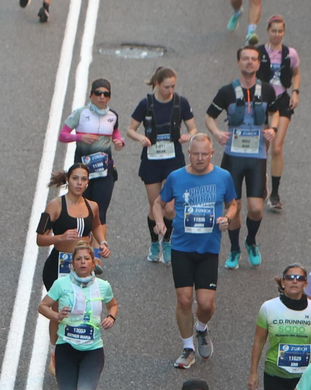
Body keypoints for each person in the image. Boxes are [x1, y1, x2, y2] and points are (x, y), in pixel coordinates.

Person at [154, 137, 238, 370]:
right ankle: (188, 348)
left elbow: (233, 204)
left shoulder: (223, 177)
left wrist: (227, 218)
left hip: (209, 249)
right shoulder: (176, 177)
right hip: (181, 247)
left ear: (212, 153)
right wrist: (159, 222)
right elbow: (158, 203)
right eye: (196, 154)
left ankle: (201, 328)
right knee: (184, 299)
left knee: (206, 304)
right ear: (189, 153)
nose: (200, 158)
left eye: (204, 154)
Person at [204, 47, 284, 270]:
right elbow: (209, 117)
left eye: (254, 59)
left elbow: (274, 112)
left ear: (258, 64)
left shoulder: (267, 90)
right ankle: (234, 248)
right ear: (238, 62)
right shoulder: (227, 91)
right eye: (245, 59)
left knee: (256, 208)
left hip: (256, 157)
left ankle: (251, 240)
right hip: (233, 157)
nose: (250, 62)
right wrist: (217, 133)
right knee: (234, 206)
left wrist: (273, 128)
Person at [40, 242, 118, 390]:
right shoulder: (61, 284)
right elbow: (42, 306)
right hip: (66, 348)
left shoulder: (103, 286)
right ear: (72, 264)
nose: (83, 262)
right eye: (78, 259)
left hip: (93, 349)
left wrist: (111, 317)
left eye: (87, 259)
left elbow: (113, 304)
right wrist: (56, 316)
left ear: (93, 263)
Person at [128, 68, 198, 264]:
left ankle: (167, 240)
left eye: (173, 86)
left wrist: (189, 135)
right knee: (155, 206)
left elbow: (193, 127)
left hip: (173, 160)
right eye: (167, 87)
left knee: (170, 207)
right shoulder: (146, 104)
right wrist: (140, 137)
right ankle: (154, 243)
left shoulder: (181, 102)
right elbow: (130, 129)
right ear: (157, 84)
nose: (170, 90)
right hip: (152, 160)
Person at [61, 79, 126, 221]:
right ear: (91, 95)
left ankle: (99, 236)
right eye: (98, 93)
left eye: (105, 94)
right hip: (83, 171)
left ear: (109, 97)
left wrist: (119, 142)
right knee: (82, 212)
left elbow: (115, 132)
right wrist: (80, 137)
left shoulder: (113, 116)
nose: (102, 97)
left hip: (104, 170)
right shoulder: (80, 113)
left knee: (100, 213)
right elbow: (63, 135)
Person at [36, 165, 107, 293]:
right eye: (75, 178)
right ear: (67, 179)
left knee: (83, 304)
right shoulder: (54, 206)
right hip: (59, 266)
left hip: (83, 267)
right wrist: (60, 237)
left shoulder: (92, 206)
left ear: (87, 182)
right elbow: (40, 239)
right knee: (62, 305)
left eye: (83, 179)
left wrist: (102, 242)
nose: (79, 183)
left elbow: (96, 225)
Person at [255, 16, 299, 212]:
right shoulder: (258, 53)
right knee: (262, 148)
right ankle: (261, 182)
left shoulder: (290, 54)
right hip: (262, 101)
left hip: (281, 101)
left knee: (277, 148)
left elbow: (296, 73)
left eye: (280, 31)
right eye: (273, 31)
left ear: (284, 32)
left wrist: (295, 92)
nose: (277, 34)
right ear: (268, 31)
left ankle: (275, 193)